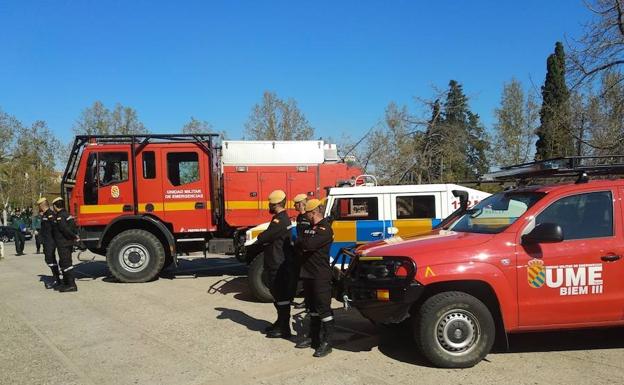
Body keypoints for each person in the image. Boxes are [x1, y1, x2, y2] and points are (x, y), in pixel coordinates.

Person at [294, 199, 335, 357]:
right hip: (308, 273)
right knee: (311, 308)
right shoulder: (311, 228)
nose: (306, 217)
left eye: (308, 214)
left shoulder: (325, 228)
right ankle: (314, 338)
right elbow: (301, 242)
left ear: (314, 212)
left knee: (323, 309)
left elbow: (307, 245)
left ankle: (328, 342)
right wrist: (301, 242)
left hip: (320, 275)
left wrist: (300, 241)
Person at [257, 190, 295, 339]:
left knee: (281, 297)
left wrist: (262, 237)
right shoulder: (280, 219)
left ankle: (284, 329)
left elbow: (264, 237)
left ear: (276, 204)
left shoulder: (280, 220)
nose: (269, 206)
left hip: (277, 263)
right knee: (278, 296)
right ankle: (280, 323)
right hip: (276, 262)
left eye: (270, 203)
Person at [51, 197, 79, 292]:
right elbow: (73, 227)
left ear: (55, 206)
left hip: (63, 243)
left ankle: (72, 285)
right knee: (64, 263)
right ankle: (67, 283)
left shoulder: (60, 216)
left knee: (66, 263)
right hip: (67, 243)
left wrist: (74, 236)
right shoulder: (67, 214)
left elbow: (64, 229)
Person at [291, 193, 310, 308]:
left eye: (295, 204)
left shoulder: (309, 216)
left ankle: (308, 302)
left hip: (306, 250)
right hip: (300, 250)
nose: (294, 206)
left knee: (307, 277)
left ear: (301, 204)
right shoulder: (299, 217)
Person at [37, 197, 61, 289]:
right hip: (47, 241)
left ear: (42, 205)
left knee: (50, 259)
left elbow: (55, 228)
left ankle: (56, 280)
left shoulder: (50, 214)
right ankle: (56, 278)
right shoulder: (45, 214)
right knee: (49, 260)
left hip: (50, 241)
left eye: (39, 205)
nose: (39, 207)